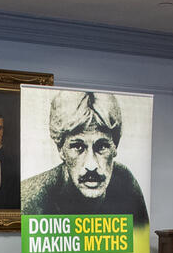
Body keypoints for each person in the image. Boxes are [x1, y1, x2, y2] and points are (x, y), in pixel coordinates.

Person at [21, 91, 148, 224]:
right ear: (61, 149)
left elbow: (139, 241)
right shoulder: (32, 201)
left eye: (102, 146)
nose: (91, 165)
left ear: (115, 147)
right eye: (78, 147)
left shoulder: (125, 182)